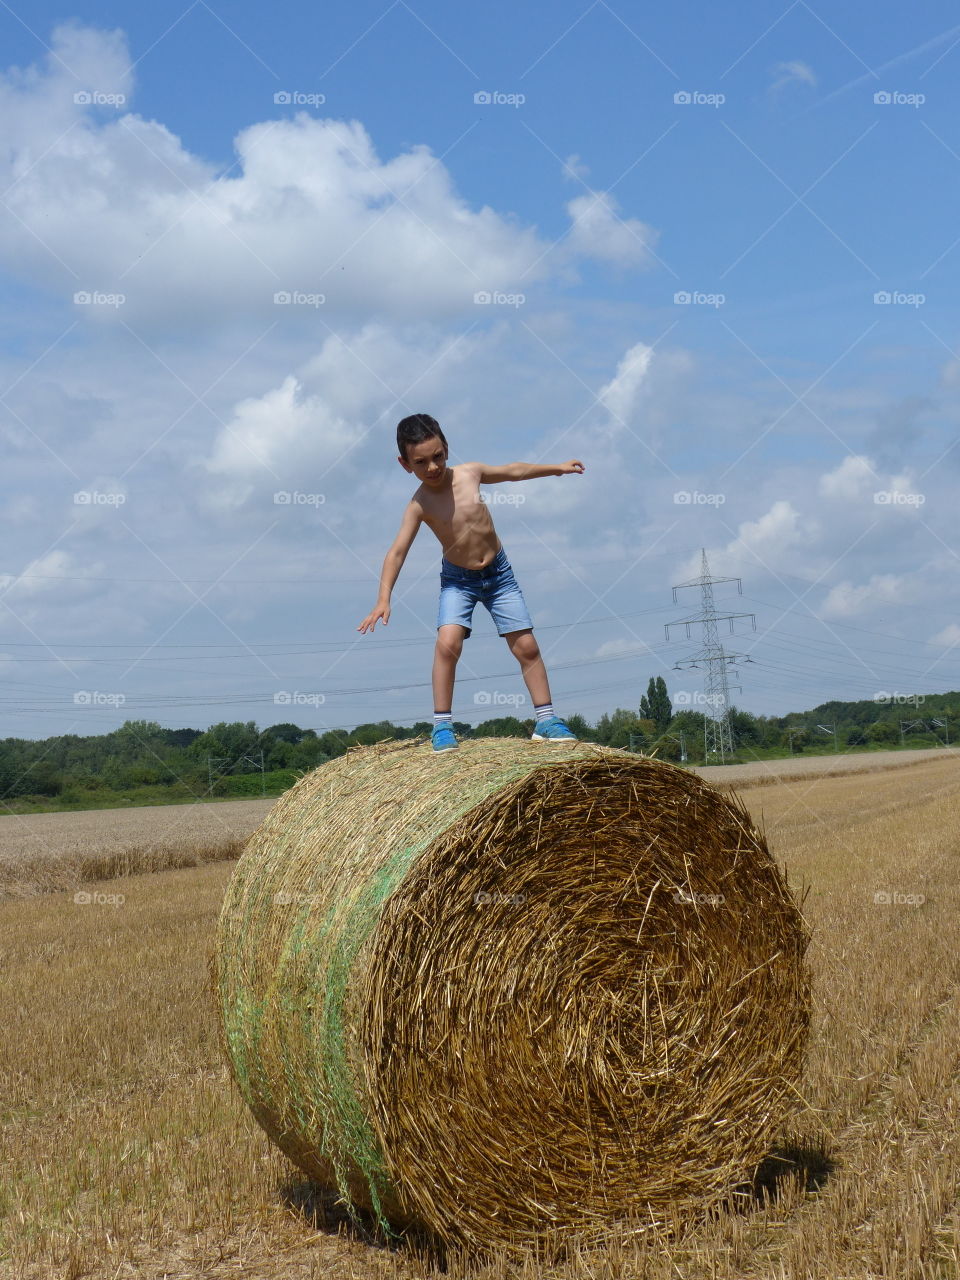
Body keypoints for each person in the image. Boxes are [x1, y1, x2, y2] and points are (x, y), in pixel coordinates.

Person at [357, 413, 584, 752]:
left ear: (446, 448)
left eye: (438, 457)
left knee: (527, 647)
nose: (432, 467)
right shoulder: (419, 505)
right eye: (421, 462)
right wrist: (383, 599)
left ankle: (546, 719)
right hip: (458, 581)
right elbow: (397, 552)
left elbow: (513, 471)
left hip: (499, 575)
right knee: (448, 644)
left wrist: (557, 467)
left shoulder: (470, 474)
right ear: (405, 464)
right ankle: (442, 726)